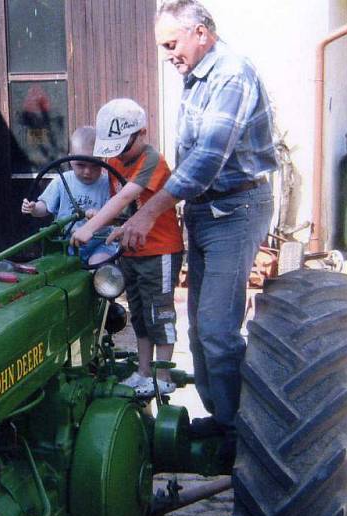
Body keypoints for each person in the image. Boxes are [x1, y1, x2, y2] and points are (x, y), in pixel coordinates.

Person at [108, 0, 277, 453]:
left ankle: (247, 437)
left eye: (172, 43)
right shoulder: (195, 78)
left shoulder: (231, 74)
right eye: (164, 46)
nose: (168, 54)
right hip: (205, 211)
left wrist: (147, 211)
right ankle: (223, 418)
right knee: (202, 331)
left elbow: (205, 160)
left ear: (201, 32)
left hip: (235, 208)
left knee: (218, 330)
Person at [72, 98, 183, 397]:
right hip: (131, 251)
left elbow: (125, 197)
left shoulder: (152, 161)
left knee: (159, 314)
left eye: (123, 144)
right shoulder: (114, 161)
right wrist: (100, 218)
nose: (118, 152)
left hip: (158, 250)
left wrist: (89, 229)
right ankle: (142, 372)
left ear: (142, 133)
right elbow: (121, 208)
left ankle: (163, 376)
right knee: (139, 314)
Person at [21, 126, 114, 264]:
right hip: (66, 243)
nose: (87, 171)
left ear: (103, 159)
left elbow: (116, 217)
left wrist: (100, 215)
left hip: (100, 244)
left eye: (95, 165)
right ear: (70, 159)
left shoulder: (108, 184)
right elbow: (45, 208)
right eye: (81, 165)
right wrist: (34, 208)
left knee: (98, 263)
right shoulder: (62, 181)